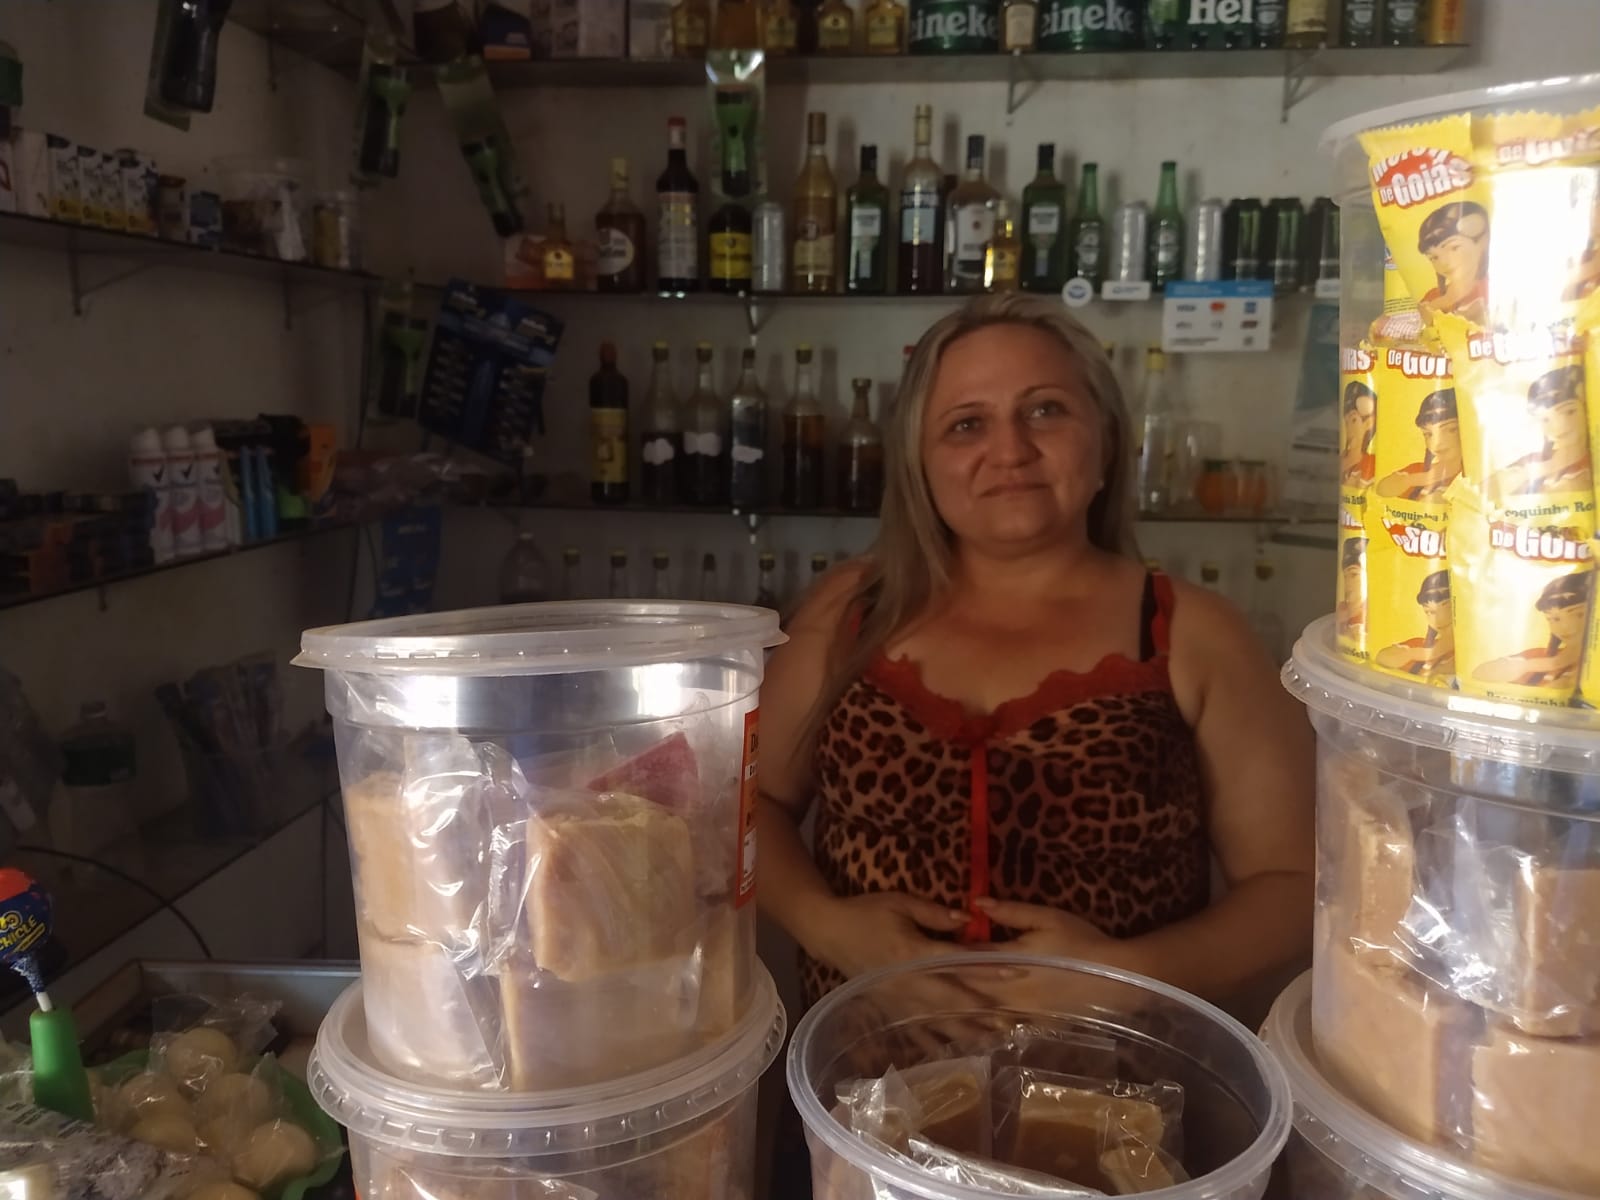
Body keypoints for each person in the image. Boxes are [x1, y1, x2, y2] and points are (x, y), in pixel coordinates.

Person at [757, 294, 1315, 1028]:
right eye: (966, 424)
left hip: (1118, 1084)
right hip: (863, 1080)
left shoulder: (1192, 633)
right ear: (919, 463)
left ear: (1105, 441)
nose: (1011, 450)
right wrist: (823, 923)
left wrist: (1132, 977)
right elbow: (751, 803)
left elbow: (1294, 885)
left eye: (1045, 410)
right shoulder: (848, 614)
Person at [1473, 571, 1592, 689]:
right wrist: (1552, 663)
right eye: (1555, 619)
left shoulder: (1593, 669)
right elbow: (1480, 673)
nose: (1565, 626)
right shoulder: (1540, 655)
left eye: (1579, 615)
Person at [1488, 365, 1591, 499]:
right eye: (1545, 419)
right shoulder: (1534, 460)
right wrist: (1548, 466)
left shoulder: (1591, 465)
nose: (1558, 427)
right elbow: (1482, 494)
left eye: (1569, 412)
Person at [1375, 388, 1462, 501]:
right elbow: (1382, 489)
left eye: (1451, 430)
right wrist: (1418, 479)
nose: (1437, 442)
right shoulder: (1418, 470)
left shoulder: (1470, 478)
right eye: (1428, 434)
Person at [1416, 201, 1489, 326]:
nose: (1443, 262)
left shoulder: (1492, 288)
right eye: (1434, 257)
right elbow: (1420, 328)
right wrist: (1444, 301)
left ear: (1482, 242)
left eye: (1454, 248)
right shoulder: (1433, 296)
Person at [1374, 569, 1455, 680]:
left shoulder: (1467, 655)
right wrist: (1419, 653)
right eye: (1429, 612)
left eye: (1449, 609)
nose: (1439, 620)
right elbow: (1381, 658)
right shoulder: (1419, 644)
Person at [1340, 381, 1376, 488]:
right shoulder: (1339, 459)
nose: (1348, 426)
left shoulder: (1370, 464)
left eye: (1354, 420)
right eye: (1346, 420)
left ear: (1369, 423)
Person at [1337, 537, 1368, 640]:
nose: (1348, 583)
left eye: (1354, 575)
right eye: (1345, 576)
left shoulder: (1375, 617)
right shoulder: (1343, 612)